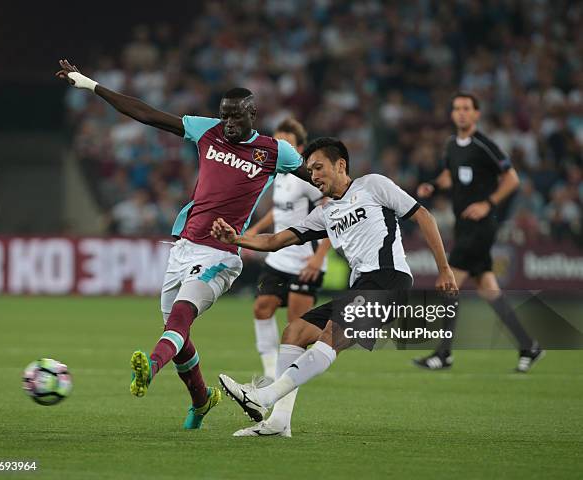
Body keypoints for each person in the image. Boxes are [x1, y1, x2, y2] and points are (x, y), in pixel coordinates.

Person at [56, 59, 307, 429]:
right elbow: (147, 114)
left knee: (180, 318)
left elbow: (317, 177)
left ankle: (148, 369)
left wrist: (355, 198)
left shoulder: (274, 152)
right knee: (180, 339)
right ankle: (202, 400)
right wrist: (91, 85)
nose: (229, 124)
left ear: (254, 113)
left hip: (221, 254)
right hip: (183, 247)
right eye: (225, 117)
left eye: (236, 117)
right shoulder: (209, 132)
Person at [211, 137, 457, 435]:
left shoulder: (373, 185)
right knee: (295, 331)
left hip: (389, 280)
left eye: (318, 167)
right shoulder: (324, 214)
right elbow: (275, 241)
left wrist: (444, 269)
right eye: (310, 170)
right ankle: (278, 422)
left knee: (329, 335)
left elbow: (423, 216)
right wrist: (235, 238)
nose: (313, 176)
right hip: (361, 287)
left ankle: (264, 395)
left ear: (340, 165)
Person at [413, 92, 544, 372]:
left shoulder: (485, 145)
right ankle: (529, 346)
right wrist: (434, 186)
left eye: (466, 109)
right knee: (488, 289)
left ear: (476, 114)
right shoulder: (451, 145)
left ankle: (443, 353)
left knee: (449, 284)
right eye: (456, 108)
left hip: (481, 227)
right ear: (452, 114)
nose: (461, 113)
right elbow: (450, 175)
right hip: (464, 227)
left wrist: (488, 203)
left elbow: (512, 178)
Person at [245, 118, 330, 385]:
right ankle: (272, 374)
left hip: (305, 260)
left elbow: (330, 214)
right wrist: (254, 230)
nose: (281, 147)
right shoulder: (279, 174)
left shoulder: (306, 178)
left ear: (300, 148)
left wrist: (318, 258)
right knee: (262, 308)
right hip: (279, 256)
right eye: (278, 142)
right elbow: (280, 209)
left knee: (296, 327)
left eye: (287, 144)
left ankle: (324, 348)